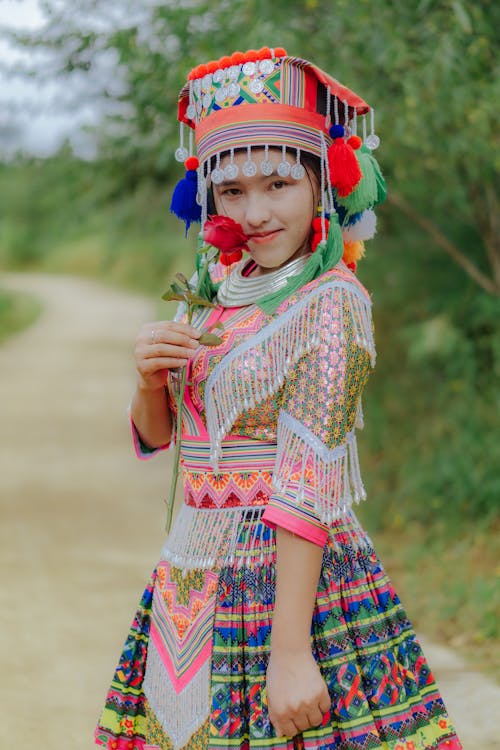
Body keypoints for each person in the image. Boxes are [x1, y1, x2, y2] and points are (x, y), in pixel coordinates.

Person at [95, 48, 462, 750]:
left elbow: (306, 483)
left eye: (278, 184)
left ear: (324, 182)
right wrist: (148, 380)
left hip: (290, 591)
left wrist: (291, 653)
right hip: (188, 582)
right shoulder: (210, 291)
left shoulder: (332, 303)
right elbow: (156, 438)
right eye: (231, 192)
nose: (255, 212)